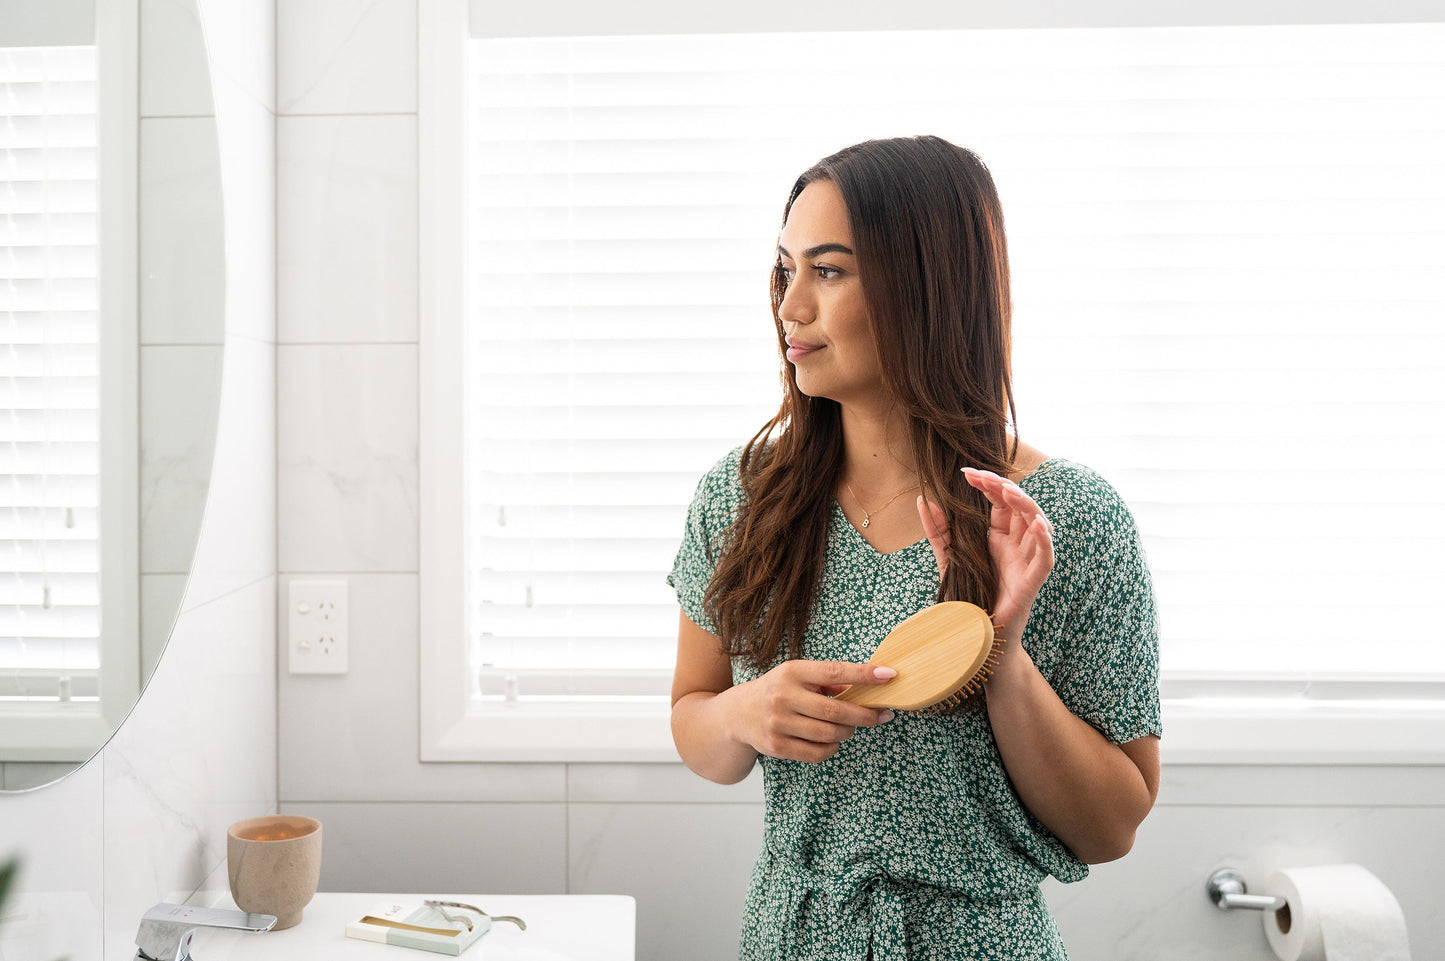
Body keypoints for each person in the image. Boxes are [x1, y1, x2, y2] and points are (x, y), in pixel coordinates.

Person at [667, 136, 1161, 961]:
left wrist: (997, 654)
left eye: (828, 271)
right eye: (785, 269)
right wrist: (741, 714)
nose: (791, 306)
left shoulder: (1066, 518)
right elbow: (695, 723)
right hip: (789, 939)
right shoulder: (742, 494)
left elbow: (1112, 826)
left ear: (926, 288)